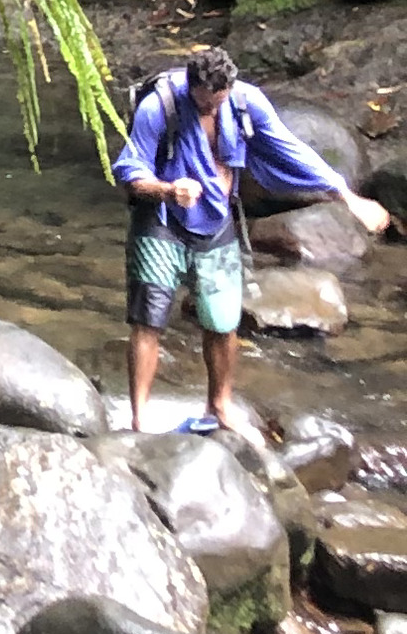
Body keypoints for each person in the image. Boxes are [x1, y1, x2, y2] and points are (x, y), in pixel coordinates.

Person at [113, 43, 386, 432]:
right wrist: (168, 189)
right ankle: (138, 421)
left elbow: (289, 149)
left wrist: (345, 194)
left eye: (217, 102)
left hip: (217, 222)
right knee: (148, 321)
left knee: (223, 323)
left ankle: (219, 407)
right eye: (204, 103)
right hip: (160, 222)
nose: (211, 110)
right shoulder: (160, 106)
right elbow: (129, 168)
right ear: (191, 88)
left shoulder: (245, 103)